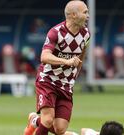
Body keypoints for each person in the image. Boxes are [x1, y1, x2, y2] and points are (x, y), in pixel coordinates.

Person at [24, 0, 90, 135]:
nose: (88, 16)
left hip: (66, 84)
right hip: (48, 80)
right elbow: (44, 57)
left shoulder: (86, 34)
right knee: (48, 120)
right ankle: (40, 122)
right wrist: (66, 61)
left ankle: (35, 121)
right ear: (73, 15)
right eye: (85, 12)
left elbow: (82, 55)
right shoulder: (56, 32)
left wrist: (75, 73)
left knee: (60, 129)